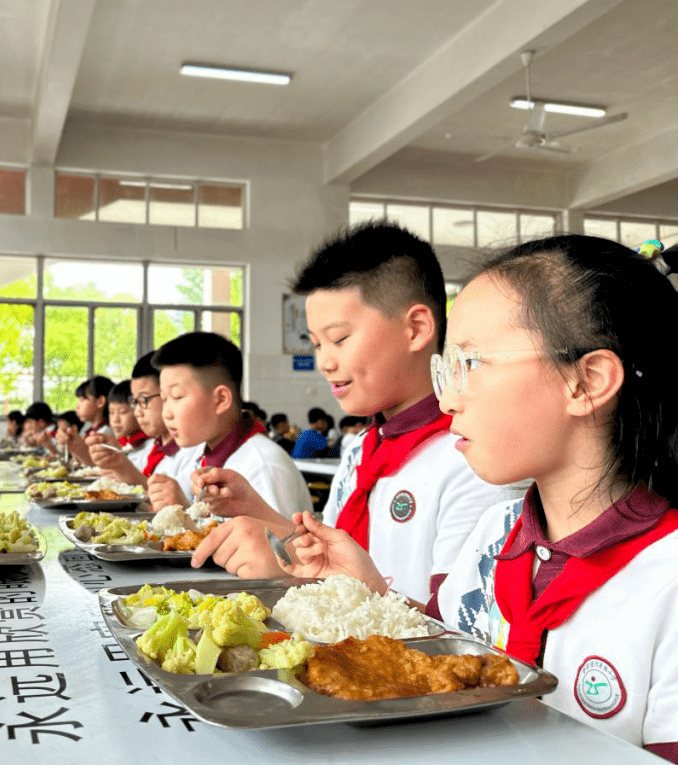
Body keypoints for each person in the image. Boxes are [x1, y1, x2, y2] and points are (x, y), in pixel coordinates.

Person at [279, 235, 678, 758]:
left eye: (471, 365)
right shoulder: (496, 533)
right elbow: (445, 663)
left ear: (586, 381)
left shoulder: (665, 576)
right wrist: (370, 591)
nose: (447, 398)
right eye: (446, 371)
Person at [192, 221, 508, 602]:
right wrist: (254, 508)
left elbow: (461, 633)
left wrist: (327, 586)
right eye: (316, 344)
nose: (324, 362)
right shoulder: (361, 448)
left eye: (339, 339)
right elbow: (334, 559)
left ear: (416, 329)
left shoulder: (472, 460)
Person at [148, 331, 312, 521]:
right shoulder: (203, 453)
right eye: (164, 399)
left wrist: (182, 512)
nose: (166, 413)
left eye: (177, 397)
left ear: (221, 399)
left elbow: (282, 546)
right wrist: (179, 508)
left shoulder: (263, 466)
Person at [88, 351, 199, 493]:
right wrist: (119, 465)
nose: (137, 412)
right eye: (135, 402)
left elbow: (170, 505)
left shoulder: (193, 451)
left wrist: (121, 465)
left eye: (144, 400)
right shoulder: (155, 447)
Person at [106, 378, 151, 469]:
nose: (115, 419)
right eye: (111, 412)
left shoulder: (149, 445)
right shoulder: (122, 442)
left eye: (123, 412)